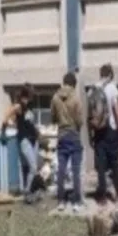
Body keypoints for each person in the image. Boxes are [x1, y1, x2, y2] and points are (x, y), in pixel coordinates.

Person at [51, 72, 84, 212]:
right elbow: (80, 120)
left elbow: (53, 118)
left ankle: (61, 201)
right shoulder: (76, 97)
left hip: (62, 136)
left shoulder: (55, 97)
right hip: (74, 134)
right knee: (76, 170)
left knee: (61, 170)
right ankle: (76, 202)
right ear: (74, 84)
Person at [93, 64, 118, 204]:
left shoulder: (94, 88)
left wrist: (91, 133)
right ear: (111, 75)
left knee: (101, 165)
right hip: (110, 129)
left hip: (98, 130)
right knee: (114, 162)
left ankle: (102, 197)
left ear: (100, 74)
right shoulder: (112, 87)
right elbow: (117, 110)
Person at [2, 84, 40, 204]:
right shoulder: (19, 106)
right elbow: (7, 116)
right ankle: (27, 192)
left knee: (29, 166)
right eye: (32, 94)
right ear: (27, 94)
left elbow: (30, 123)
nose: (33, 96)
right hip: (24, 140)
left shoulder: (29, 106)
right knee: (33, 167)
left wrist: (37, 132)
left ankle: (28, 190)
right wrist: (3, 131)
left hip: (33, 139)